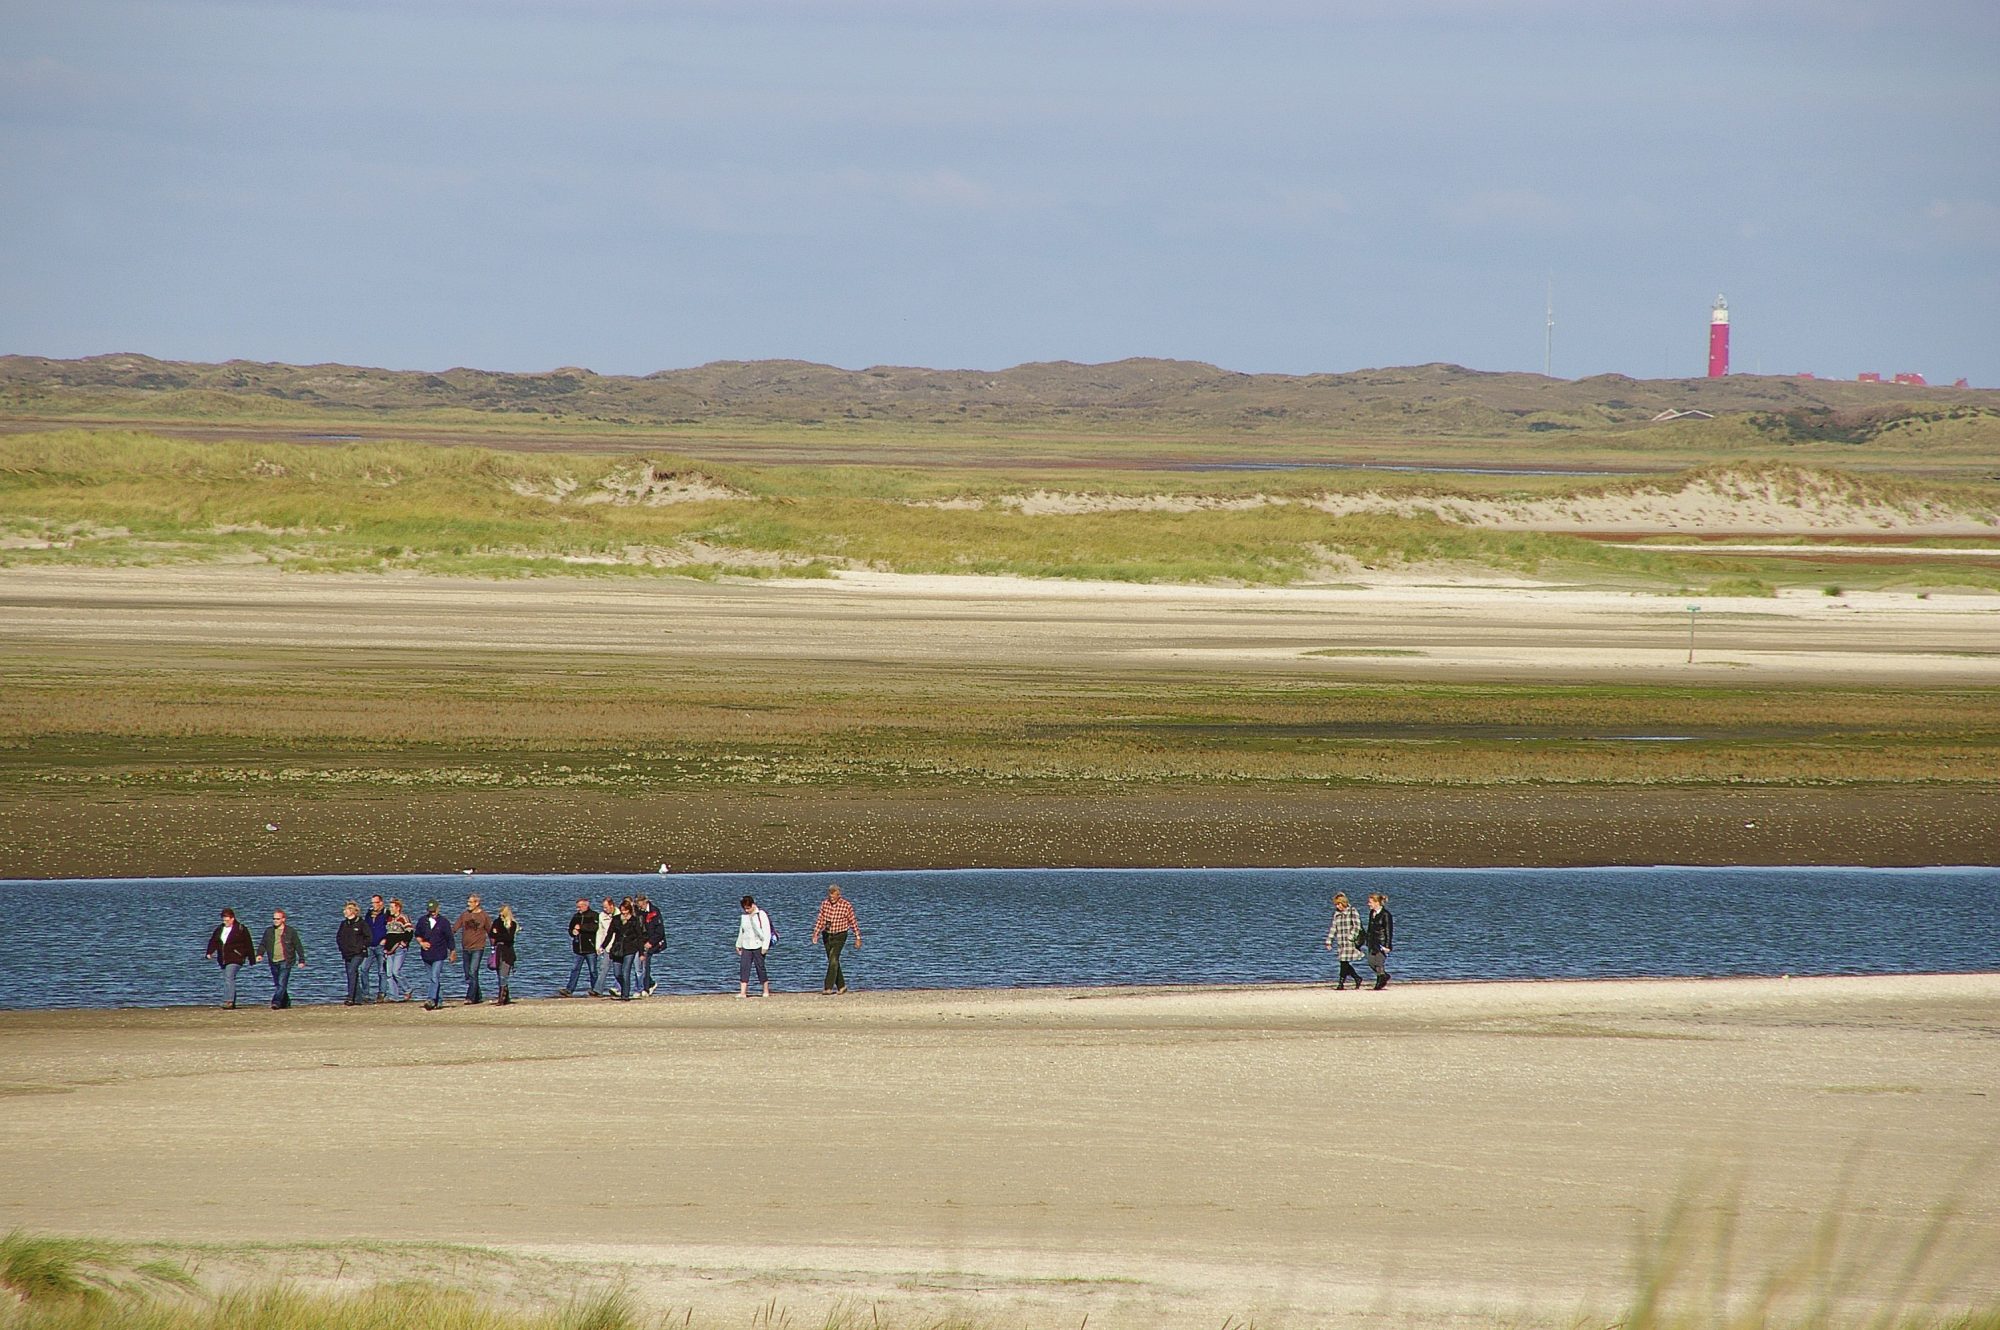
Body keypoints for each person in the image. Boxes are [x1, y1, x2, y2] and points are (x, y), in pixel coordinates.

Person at [809, 883, 861, 995]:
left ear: (838, 895)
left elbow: (853, 922)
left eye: (834, 896)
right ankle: (842, 986)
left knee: (833, 959)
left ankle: (828, 987)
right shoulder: (825, 904)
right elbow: (820, 919)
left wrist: (857, 937)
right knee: (833, 961)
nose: (831, 899)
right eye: (830, 896)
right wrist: (815, 933)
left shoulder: (846, 905)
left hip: (840, 934)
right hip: (827, 935)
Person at [204, 907, 255, 1008]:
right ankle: (232, 1002)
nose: (225, 922)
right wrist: (209, 952)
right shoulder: (220, 929)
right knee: (229, 979)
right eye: (223, 920)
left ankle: (229, 1001)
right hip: (223, 958)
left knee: (229, 977)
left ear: (232, 919)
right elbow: (213, 941)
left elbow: (248, 943)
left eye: (227, 920)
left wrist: (251, 958)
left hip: (236, 958)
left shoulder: (241, 929)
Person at [257, 908, 306, 1009]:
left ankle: (276, 1002)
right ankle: (286, 1001)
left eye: (278, 919)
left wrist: (301, 959)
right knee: (278, 983)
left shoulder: (290, 931)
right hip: (273, 960)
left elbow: (298, 945)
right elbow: (263, 944)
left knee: (281, 982)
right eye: (274, 919)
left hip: (286, 961)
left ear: (283, 919)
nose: (275, 921)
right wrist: (260, 954)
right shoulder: (269, 931)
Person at [414, 900, 454, 1010]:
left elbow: (450, 937)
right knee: (432, 978)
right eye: (430, 911)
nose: (432, 913)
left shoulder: (444, 922)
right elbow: (417, 934)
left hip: (439, 953)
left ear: (438, 909)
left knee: (434, 977)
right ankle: (439, 1000)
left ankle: (431, 999)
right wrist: (421, 943)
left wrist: (452, 952)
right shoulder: (422, 921)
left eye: (434, 911)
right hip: (426, 954)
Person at [1323, 892, 1365, 990]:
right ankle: (1356, 978)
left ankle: (1341, 983)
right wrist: (1329, 940)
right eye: (1336, 904)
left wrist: (1351, 937)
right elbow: (1333, 927)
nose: (1338, 906)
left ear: (1344, 903)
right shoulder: (1337, 914)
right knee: (1343, 962)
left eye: (1339, 904)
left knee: (1343, 962)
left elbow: (1357, 926)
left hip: (1350, 942)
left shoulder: (1352, 911)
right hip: (1341, 942)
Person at [559, 897, 599, 997]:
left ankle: (596, 989)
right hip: (578, 948)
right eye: (577, 907)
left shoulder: (594, 915)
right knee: (575, 969)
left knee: (593, 970)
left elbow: (595, 928)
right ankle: (569, 989)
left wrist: (581, 927)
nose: (578, 909)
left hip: (590, 947)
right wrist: (572, 932)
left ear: (586, 905)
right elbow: (570, 929)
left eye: (580, 907)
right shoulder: (575, 916)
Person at [457, 893, 493, 1004]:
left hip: (478, 947)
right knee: (468, 974)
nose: (468, 904)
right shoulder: (464, 915)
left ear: (477, 903)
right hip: (465, 948)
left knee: (473, 971)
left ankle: (470, 997)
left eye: (470, 902)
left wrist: (494, 947)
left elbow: (490, 932)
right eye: (468, 902)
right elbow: (455, 928)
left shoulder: (484, 916)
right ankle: (478, 996)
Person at [735, 895, 773, 998]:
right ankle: (743, 992)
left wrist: (765, 946)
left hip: (758, 945)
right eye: (745, 908)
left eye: (748, 908)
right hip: (746, 945)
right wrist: (738, 944)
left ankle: (765, 990)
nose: (747, 910)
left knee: (760, 968)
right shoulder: (744, 917)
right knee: (744, 968)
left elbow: (766, 931)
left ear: (752, 905)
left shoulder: (761, 914)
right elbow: (742, 931)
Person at [606, 898, 644, 1000]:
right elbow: (610, 934)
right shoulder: (616, 919)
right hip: (618, 948)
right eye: (622, 910)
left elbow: (640, 937)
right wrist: (603, 946)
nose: (623, 912)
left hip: (630, 948)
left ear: (629, 910)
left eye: (625, 910)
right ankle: (625, 987)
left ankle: (625, 995)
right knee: (617, 973)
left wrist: (641, 953)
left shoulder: (634, 921)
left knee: (625, 971)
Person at [336, 901, 371, 1005]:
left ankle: (350, 997)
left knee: (352, 971)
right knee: (351, 974)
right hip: (347, 953)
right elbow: (339, 937)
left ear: (352, 911)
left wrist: (362, 947)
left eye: (346, 910)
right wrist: (341, 947)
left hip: (358, 953)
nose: (344, 911)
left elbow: (368, 937)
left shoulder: (361, 923)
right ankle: (358, 998)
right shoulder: (344, 924)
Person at [383, 899, 415, 1002]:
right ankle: (393, 996)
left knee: (396, 971)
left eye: (392, 907)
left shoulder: (403, 918)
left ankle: (407, 989)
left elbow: (409, 931)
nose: (390, 909)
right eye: (390, 907)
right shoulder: (388, 919)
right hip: (389, 949)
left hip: (400, 949)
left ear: (398, 908)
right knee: (389, 974)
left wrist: (404, 942)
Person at [1363, 892, 1396, 990]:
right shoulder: (1372, 913)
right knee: (1371, 962)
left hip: (1381, 942)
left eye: (1370, 902)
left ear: (1377, 902)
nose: (1368, 904)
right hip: (1372, 942)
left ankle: (1379, 981)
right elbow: (1369, 928)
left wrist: (1387, 945)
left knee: (1379, 962)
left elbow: (1388, 931)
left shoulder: (1386, 914)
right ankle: (1384, 976)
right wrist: (1366, 940)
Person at [363, 893, 390, 1003]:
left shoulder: (386, 913)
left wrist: (386, 940)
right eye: (372, 902)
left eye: (376, 902)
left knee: (381, 971)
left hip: (381, 945)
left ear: (381, 903)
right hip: (370, 945)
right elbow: (365, 927)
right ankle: (365, 993)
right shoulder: (369, 914)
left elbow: (391, 928)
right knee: (363, 969)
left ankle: (381, 993)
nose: (374, 905)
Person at [491, 904, 519, 1005]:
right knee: (499, 974)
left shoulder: (512, 924)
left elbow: (509, 938)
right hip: (499, 950)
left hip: (508, 951)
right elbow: (492, 934)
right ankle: (506, 996)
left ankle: (502, 997)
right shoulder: (497, 922)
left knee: (503, 974)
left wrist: (498, 935)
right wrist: (499, 935)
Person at [637, 894, 665, 997]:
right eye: (638, 905)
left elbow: (660, 931)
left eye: (641, 904)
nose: (640, 907)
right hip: (642, 941)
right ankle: (650, 983)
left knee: (646, 963)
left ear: (646, 901)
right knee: (640, 964)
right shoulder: (639, 911)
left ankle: (646, 988)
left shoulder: (654, 911)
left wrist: (651, 942)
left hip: (653, 941)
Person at [593, 897, 617, 993]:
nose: (604, 909)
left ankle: (620, 989)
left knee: (619, 970)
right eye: (603, 907)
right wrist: (598, 946)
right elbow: (600, 932)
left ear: (612, 906)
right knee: (603, 968)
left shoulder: (620, 914)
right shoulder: (602, 916)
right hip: (607, 946)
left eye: (606, 907)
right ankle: (598, 990)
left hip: (618, 946)